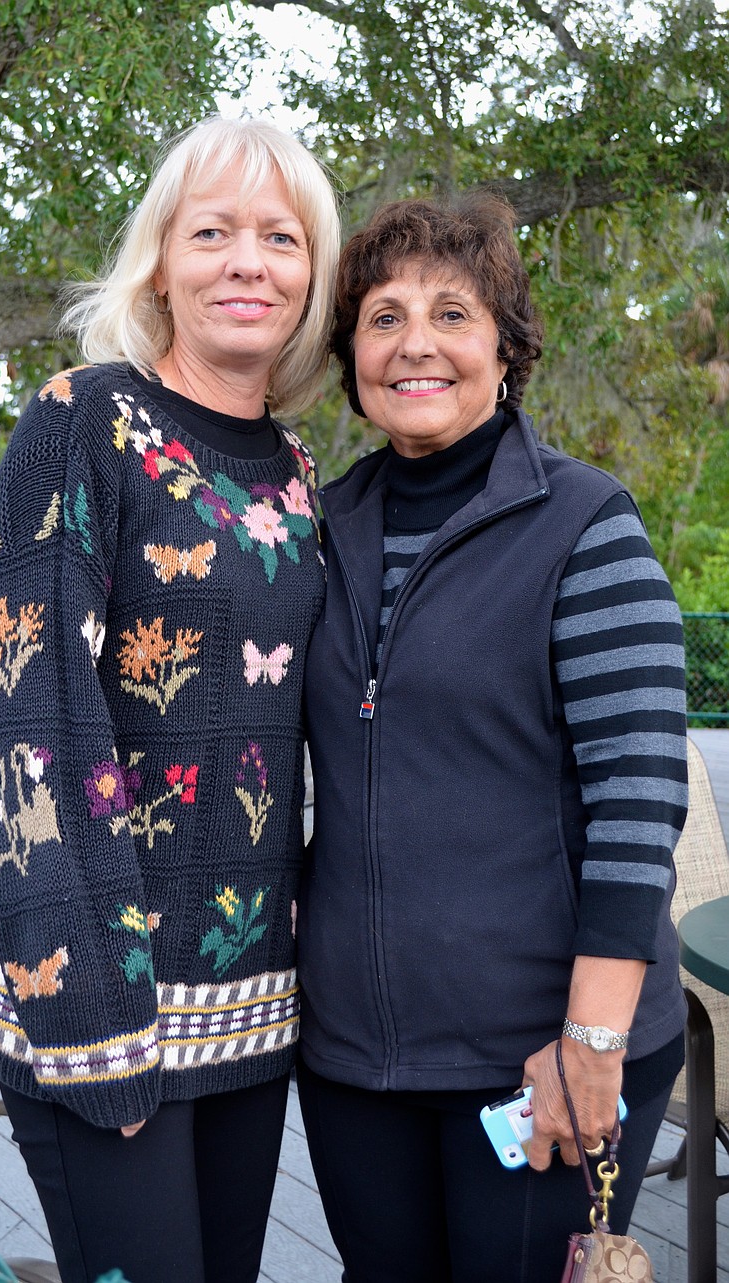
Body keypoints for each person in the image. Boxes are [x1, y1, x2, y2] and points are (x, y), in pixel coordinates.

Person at [0, 116, 340, 1283]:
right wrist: (93, 1017)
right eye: (211, 232)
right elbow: (25, 710)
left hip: (249, 1000)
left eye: (280, 237)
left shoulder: (294, 467)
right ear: (160, 263)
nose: (247, 262)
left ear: (312, 277)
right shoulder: (81, 418)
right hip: (96, 997)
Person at [296, 195, 688, 1283]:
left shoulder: (584, 524)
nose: (414, 342)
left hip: (542, 1056)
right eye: (383, 317)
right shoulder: (318, 528)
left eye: (452, 314)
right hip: (356, 1059)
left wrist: (591, 1042)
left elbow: (637, 799)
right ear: (351, 359)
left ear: (505, 352)